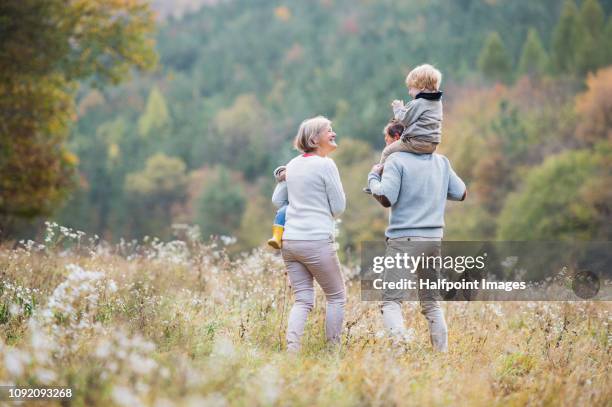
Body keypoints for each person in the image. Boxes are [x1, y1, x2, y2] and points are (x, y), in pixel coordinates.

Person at [367, 145, 466, 352]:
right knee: (431, 302)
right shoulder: (441, 161)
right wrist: (431, 188)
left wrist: (373, 178)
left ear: (398, 138)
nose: (386, 148)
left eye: (387, 140)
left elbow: (386, 198)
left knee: (391, 302)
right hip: (433, 239)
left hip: (405, 239)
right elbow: (460, 193)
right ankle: (442, 355)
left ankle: (400, 352)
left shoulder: (396, 160)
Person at [272, 116, 347, 352]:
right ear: (314, 139)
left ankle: (292, 351)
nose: (333, 134)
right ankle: (333, 352)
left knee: (303, 300)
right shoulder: (326, 165)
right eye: (329, 131)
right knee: (336, 297)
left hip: (290, 242)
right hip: (316, 241)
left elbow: (277, 200)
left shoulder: (292, 165)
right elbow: (338, 208)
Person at [364, 64, 443, 194]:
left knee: (387, 151)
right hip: (432, 144)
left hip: (415, 142)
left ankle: (380, 179)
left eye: (411, 88)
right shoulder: (437, 103)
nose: (409, 92)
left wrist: (398, 107)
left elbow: (403, 119)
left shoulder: (418, 103)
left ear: (422, 87)